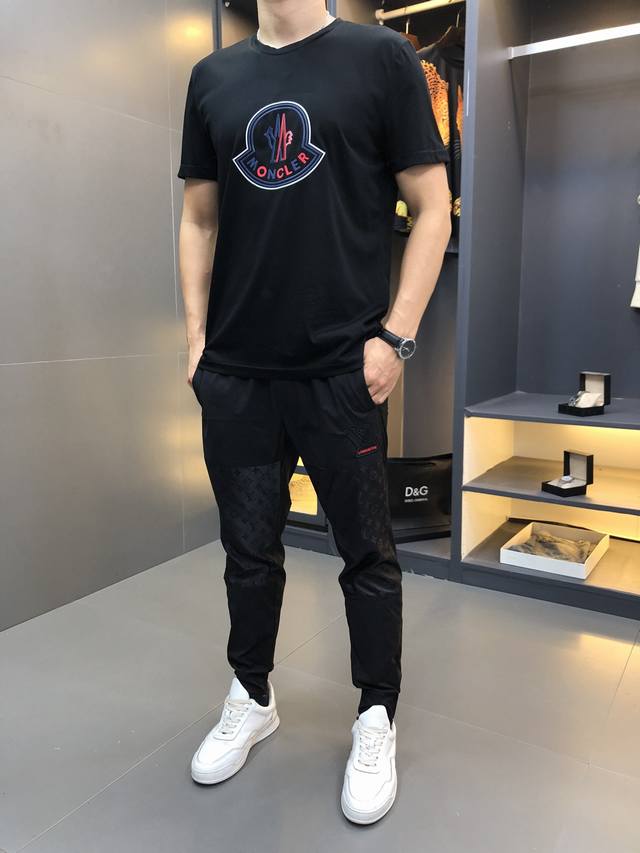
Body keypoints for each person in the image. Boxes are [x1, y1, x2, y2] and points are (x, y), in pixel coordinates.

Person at [176, 1, 450, 825]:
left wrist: (395, 337)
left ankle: (376, 713)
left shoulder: (381, 59)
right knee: (247, 552)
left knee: (367, 554)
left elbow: (433, 206)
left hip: (341, 373)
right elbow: (198, 215)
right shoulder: (213, 78)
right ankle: (252, 694)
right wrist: (195, 337)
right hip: (237, 374)